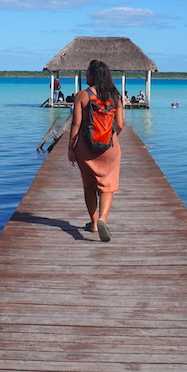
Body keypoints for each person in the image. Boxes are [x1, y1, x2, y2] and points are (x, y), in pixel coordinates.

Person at [67, 59, 125, 242]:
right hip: (110, 147)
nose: (85, 75)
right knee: (107, 186)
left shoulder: (83, 95)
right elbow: (121, 125)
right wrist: (110, 137)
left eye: (87, 73)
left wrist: (71, 147)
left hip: (86, 147)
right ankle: (103, 219)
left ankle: (93, 224)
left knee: (89, 185)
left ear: (93, 75)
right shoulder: (115, 96)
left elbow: (76, 124)